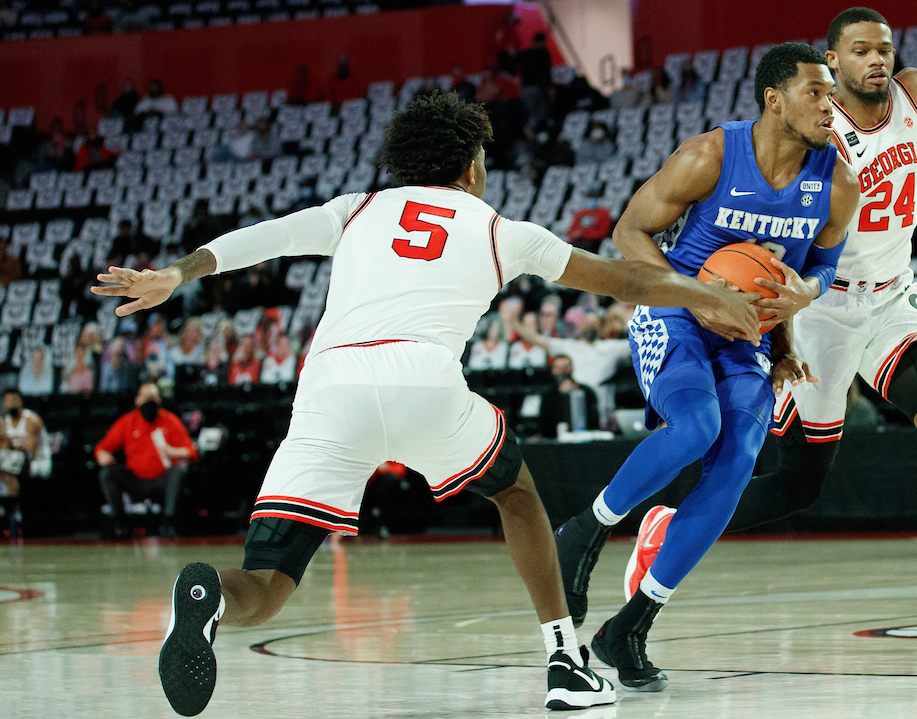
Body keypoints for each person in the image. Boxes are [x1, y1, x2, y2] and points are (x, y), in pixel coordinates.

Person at [93, 91, 759, 715]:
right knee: (517, 494)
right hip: (422, 381)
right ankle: (565, 661)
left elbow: (262, 238)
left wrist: (176, 273)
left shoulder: (355, 208)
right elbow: (622, 280)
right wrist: (706, 294)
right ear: (470, 168)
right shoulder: (500, 230)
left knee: (266, 584)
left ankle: (210, 596)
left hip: (330, 390)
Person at [630, 0, 917, 669]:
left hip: (892, 305)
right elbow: (768, 222)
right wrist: (771, 320)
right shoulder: (812, 131)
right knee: (800, 483)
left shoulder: (912, 99)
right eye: (860, 50)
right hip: (818, 309)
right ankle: (668, 528)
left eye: (884, 48)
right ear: (831, 63)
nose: (877, 59)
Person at [552, 40, 857, 691]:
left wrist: (798, 311)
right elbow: (629, 232)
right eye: (815, 92)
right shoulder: (710, 156)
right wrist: (699, 296)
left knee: (740, 456)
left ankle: (629, 627)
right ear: (775, 100)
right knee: (698, 426)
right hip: (675, 314)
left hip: (748, 333)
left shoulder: (837, 183)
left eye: (832, 94)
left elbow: (818, 268)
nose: (830, 106)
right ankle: (583, 532)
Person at [94, 382, 196, 539]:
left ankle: (168, 522)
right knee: (107, 473)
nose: (149, 402)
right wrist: (102, 455)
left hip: (161, 480)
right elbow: (102, 447)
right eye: (146, 398)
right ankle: (120, 523)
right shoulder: (128, 421)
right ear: (137, 400)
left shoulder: (170, 420)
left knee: (179, 471)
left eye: (153, 398)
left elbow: (191, 452)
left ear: (159, 400)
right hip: (135, 480)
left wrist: (172, 451)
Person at [2, 390, 49, 536]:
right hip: (14, 462)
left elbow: (30, 453)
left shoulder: (31, 420)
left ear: (20, 401)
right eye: (7, 400)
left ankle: (15, 516)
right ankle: (10, 514)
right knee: (6, 469)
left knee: (10, 469)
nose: (11, 404)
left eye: (14, 400)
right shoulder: (4, 422)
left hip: (38, 462)